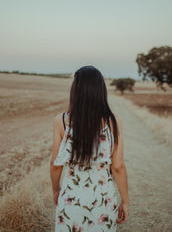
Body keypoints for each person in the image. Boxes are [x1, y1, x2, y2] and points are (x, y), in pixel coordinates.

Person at [50, 65, 129, 231]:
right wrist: (125, 201)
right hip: (103, 202)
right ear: (101, 90)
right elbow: (118, 167)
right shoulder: (113, 121)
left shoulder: (62, 121)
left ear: (75, 91)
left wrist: (56, 189)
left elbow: (56, 165)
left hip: (70, 200)